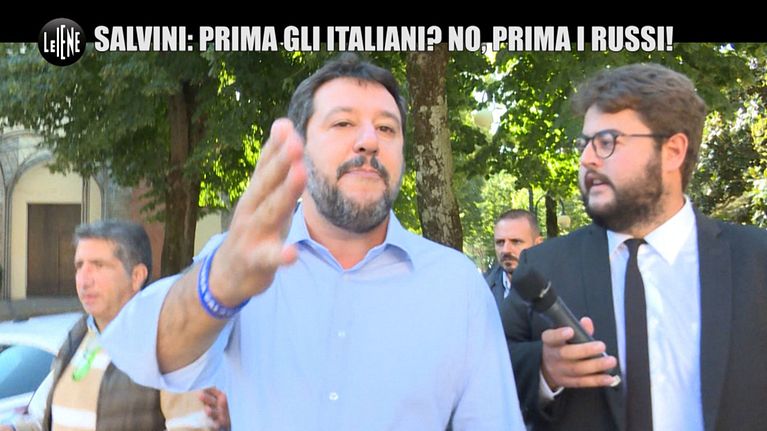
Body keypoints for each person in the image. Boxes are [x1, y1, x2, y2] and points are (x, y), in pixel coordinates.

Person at [100, 54, 524, 430]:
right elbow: (141, 353)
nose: (369, 140)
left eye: (386, 128)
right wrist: (217, 289)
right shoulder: (241, 263)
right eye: (343, 123)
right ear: (298, 149)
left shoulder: (457, 287)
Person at [503, 63, 767, 431]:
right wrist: (544, 369)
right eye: (584, 144)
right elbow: (489, 373)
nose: (586, 158)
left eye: (607, 141)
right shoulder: (543, 267)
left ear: (673, 151)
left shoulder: (757, 262)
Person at [0, 220, 229, 431]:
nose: (84, 279)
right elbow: (42, 419)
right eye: (79, 266)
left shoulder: (167, 344)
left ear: (137, 276)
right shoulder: (78, 338)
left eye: (98, 265)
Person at [485, 209, 543, 305]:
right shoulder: (481, 289)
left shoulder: (561, 285)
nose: (505, 250)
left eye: (516, 242)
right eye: (500, 242)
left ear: (538, 244)